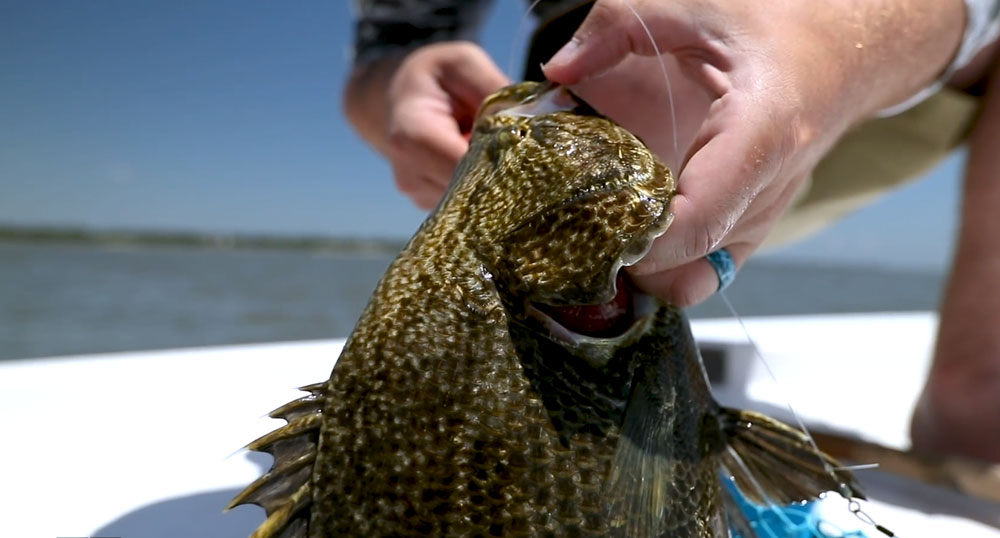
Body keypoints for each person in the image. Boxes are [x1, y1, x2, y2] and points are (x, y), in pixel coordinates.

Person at [343, 0, 1000, 464]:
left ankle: (977, 402)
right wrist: (398, 84)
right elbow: (392, 46)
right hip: (627, 93)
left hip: (902, 54)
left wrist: (834, 45)